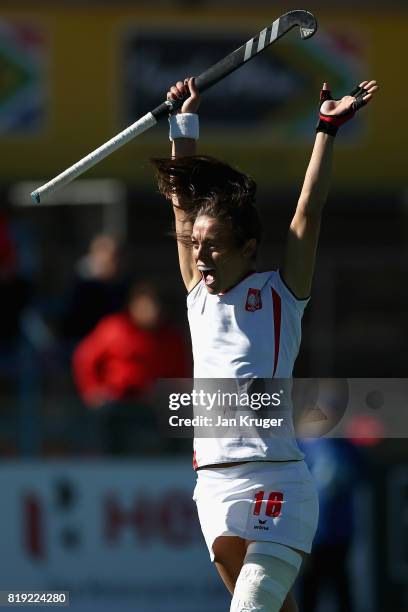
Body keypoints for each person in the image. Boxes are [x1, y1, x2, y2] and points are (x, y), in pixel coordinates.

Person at [152, 76, 378, 612]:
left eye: (214, 247)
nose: (202, 257)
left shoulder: (281, 294)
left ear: (247, 246)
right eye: (197, 248)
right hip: (213, 486)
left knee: (251, 606)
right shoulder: (196, 295)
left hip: (275, 478)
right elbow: (183, 209)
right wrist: (183, 124)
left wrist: (326, 128)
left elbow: (308, 212)